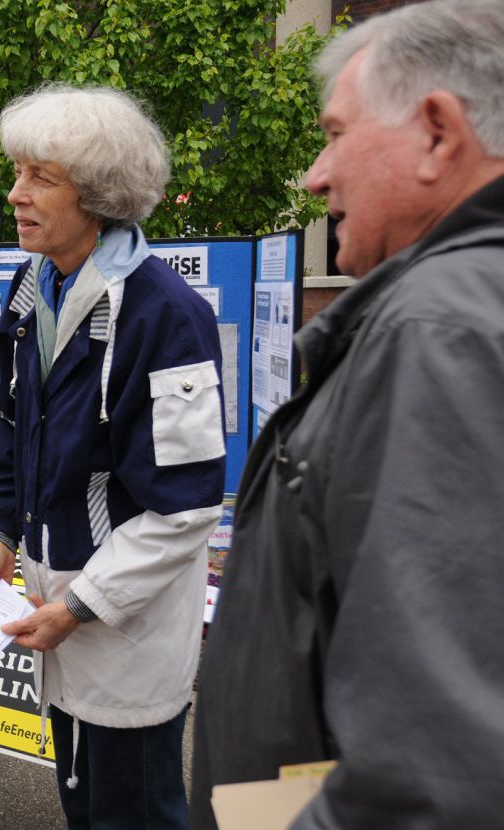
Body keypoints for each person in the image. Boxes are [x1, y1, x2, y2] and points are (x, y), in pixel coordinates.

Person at [191, 3, 504, 827]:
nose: (315, 176)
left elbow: (434, 773)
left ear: (438, 132)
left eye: (334, 134)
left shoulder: (438, 330)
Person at [0, 84, 226, 829]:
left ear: (101, 194)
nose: (14, 193)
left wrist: (80, 606)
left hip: (122, 621)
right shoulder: (31, 283)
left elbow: (187, 508)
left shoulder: (167, 313)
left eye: (39, 177)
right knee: (84, 804)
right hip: (56, 606)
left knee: (134, 811)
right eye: (16, 172)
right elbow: (10, 430)